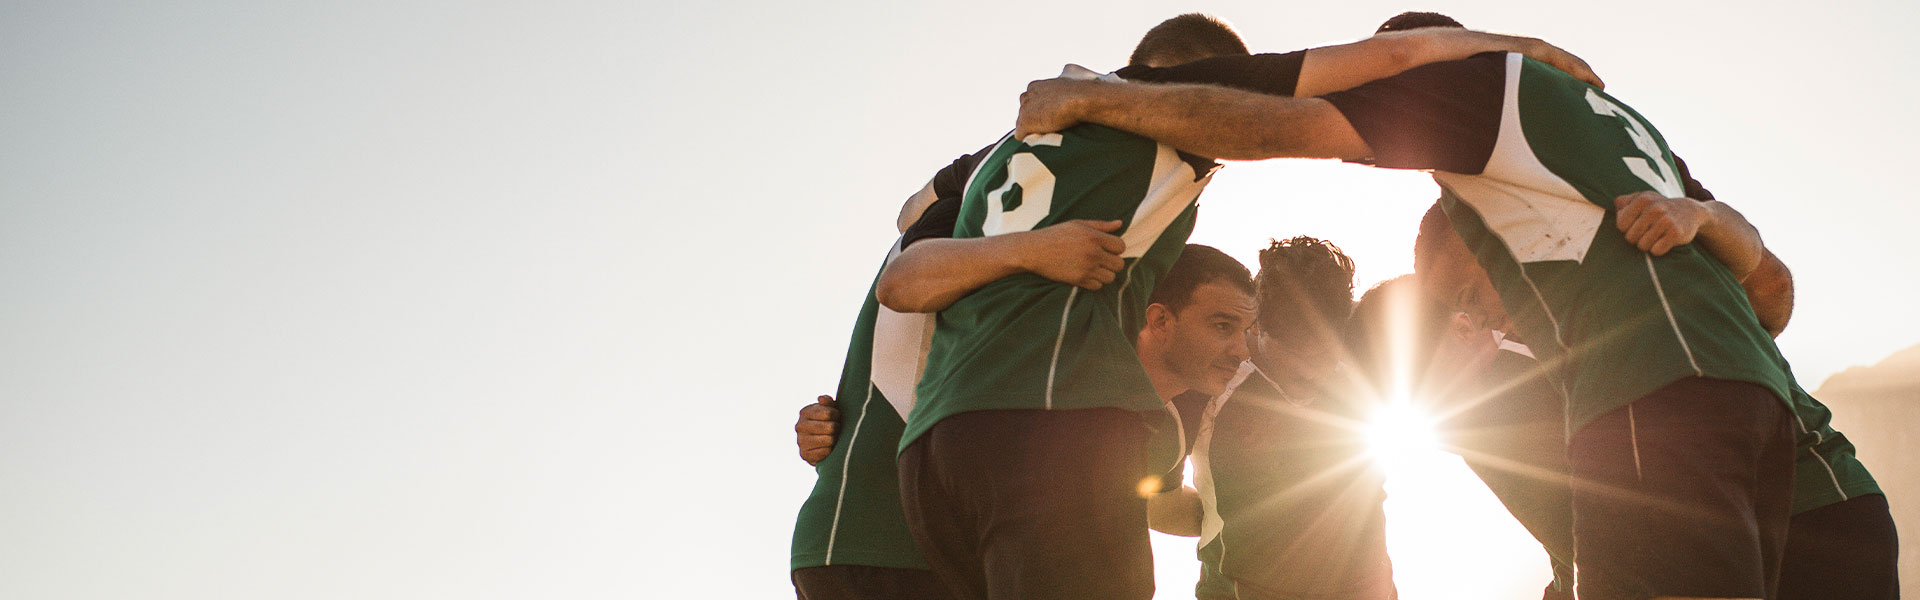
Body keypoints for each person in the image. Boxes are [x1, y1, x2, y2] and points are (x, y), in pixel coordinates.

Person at [1008, 31, 1844, 600]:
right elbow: (1770, 294)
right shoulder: (1624, 139)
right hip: (1765, 417)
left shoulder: (1474, 99)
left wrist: (1107, 100)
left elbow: (1285, 124)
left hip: (1651, 409)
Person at [881, 24, 1603, 600]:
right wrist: (1514, 57)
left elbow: (906, 262)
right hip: (1047, 428)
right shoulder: (1166, 105)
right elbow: (1393, 54)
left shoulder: (1010, 150)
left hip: (934, 453)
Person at [790, 15, 1256, 599]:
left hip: (948, 538)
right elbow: (906, 267)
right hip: (879, 542)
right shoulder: (998, 206)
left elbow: (1166, 507)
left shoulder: (1104, 248)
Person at [1185, 237, 1394, 600]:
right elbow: (1149, 497)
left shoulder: (1358, 381)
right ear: (1256, 328)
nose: (1313, 371)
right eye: (1297, 354)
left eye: (1327, 353)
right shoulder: (1210, 386)